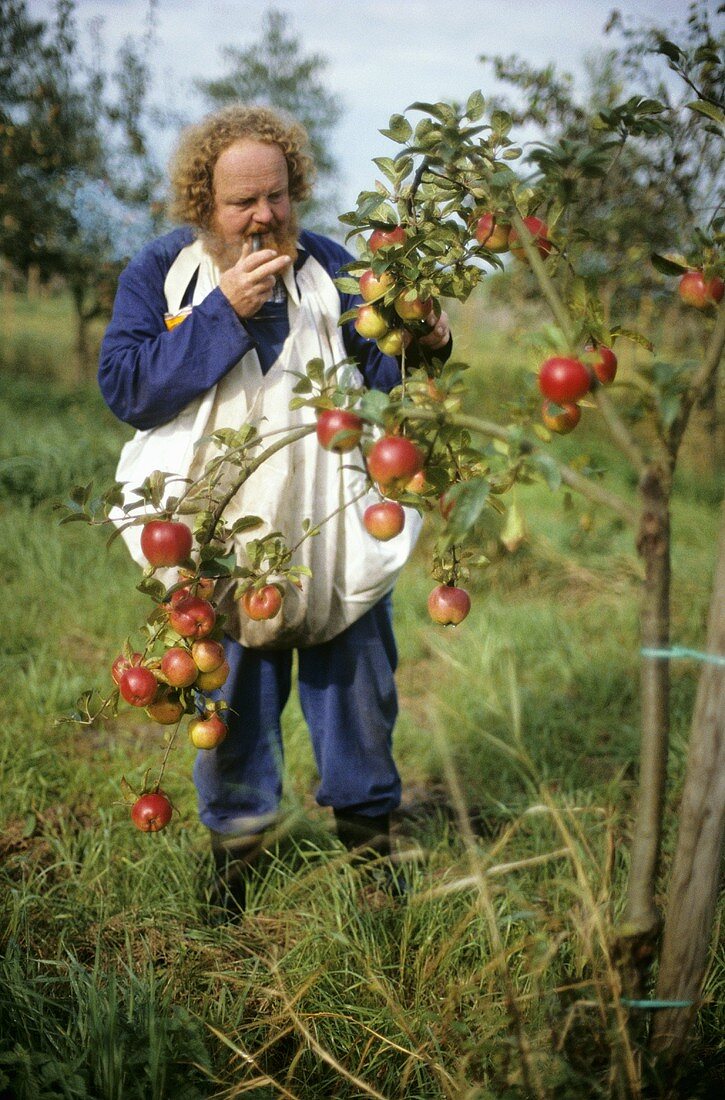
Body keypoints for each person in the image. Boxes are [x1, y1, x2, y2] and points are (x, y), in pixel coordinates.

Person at [98, 104, 451, 908]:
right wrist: (221, 310)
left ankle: (370, 859)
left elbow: (390, 383)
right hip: (218, 538)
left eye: (277, 196)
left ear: (297, 189)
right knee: (231, 701)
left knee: (358, 693)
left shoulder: (331, 267)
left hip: (330, 524)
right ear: (203, 204)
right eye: (241, 202)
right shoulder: (164, 273)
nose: (264, 216)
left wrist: (425, 339)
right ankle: (235, 862)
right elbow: (127, 389)